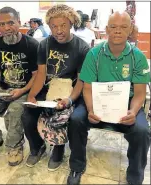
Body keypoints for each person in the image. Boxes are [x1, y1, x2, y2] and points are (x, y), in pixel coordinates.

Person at [67, 11, 150, 185]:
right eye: (113, 27)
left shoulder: (138, 57)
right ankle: (76, 166)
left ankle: (135, 177)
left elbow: (140, 92)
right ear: (106, 30)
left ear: (131, 30)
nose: (117, 31)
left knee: (142, 131)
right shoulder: (94, 54)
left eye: (123, 27)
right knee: (76, 119)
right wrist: (90, 109)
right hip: (96, 101)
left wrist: (133, 111)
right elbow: (87, 88)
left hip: (127, 102)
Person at [22, 4, 90, 172]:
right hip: (49, 88)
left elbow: (81, 81)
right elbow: (41, 74)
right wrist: (32, 95)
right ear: (49, 27)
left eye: (63, 25)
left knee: (58, 116)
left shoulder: (82, 47)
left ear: (71, 24)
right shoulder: (44, 45)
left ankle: (58, 148)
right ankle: (37, 147)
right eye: (54, 26)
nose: (59, 30)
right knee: (28, 116)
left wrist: (70, 99)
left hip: (69, 90)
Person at [0, 6, 39, 166]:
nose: (6, 28)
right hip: (2, 89)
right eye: (1, 24)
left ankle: (14, 146)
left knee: (15, 111)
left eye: (10, 23)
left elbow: (37, 76)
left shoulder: (31, 45)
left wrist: (22, 91)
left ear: (18, 21)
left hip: (24, 88)